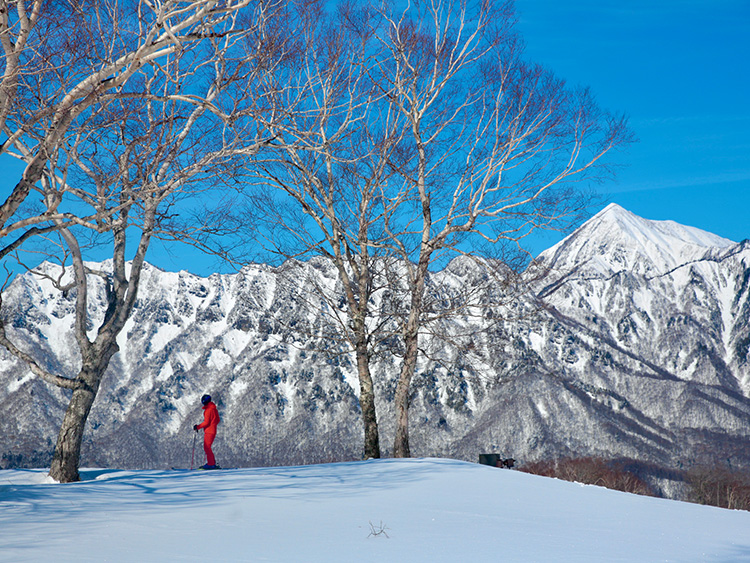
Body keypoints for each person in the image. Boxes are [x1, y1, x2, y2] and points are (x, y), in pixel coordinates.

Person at [193, 394, 220, 469]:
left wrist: (197, 427)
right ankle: (212, 463)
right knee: (208, 447)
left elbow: (206, 422)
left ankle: (211, 464)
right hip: (213, 430)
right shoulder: (214, 408)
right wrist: (213, 425)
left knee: (207, 447)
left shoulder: (208, 410)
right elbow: (218, 420)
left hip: (209, 431)